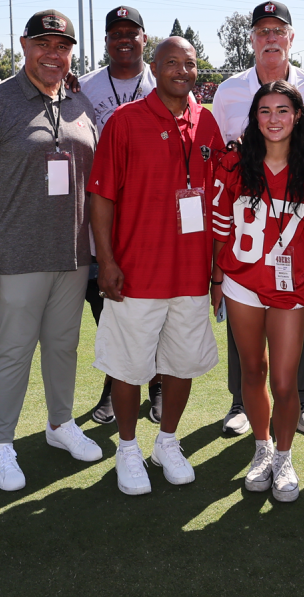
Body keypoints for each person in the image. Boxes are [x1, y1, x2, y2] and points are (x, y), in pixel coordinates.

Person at [0, 9, 102, 492]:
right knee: (14, 350)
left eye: (62, 46)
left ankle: (61, 424)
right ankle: (2, 443)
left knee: (63, 346)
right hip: (16, 253)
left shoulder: (79, 102)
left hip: (73, 252)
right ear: (24, 45)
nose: (52, 54)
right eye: (43, 44)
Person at [89, 37, 223, 496]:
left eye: (189, 64)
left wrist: (217, 270)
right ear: (155, 67)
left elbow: (221, 202)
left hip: (190, 274)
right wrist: (105, 260)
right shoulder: (124, 122)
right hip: (137, 274)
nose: (182, 71)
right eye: (172, 63)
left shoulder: (207, 124)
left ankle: (167, 441)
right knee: (128, 368)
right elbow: (101, 196)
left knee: (180, 364)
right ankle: (127, 448)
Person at [210, 1, 304, 437]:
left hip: (295, 218)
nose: (270, 38)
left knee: (299, 309)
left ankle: (301, 398)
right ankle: (240, 403)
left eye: (277, 31)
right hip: (249, 226)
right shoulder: (226, 92)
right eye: (262, 31)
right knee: (243, 322)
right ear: (252, 40)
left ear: (291, 37)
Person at [212, 80, 304, 502]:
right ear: (254, 117)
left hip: (291, 286)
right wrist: (216, 280)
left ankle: (284, 455)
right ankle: (262, 449)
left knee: (284, 383)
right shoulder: (233, 163)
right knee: (252, 371)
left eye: (283, 110)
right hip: (242, 282)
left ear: (298, 115)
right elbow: (221, 229)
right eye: (265, 111)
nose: (274, 119)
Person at [77, 5, 162, 426]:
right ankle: (115, 383)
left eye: (132, 32)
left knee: (159, 301)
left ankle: (158, 383)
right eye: (115, 33)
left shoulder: (162, 82)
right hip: (102, 211)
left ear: (145, 38)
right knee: (108, 305)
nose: (123, 39)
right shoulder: (85, 87)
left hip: (153, 213)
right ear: (106, 40)